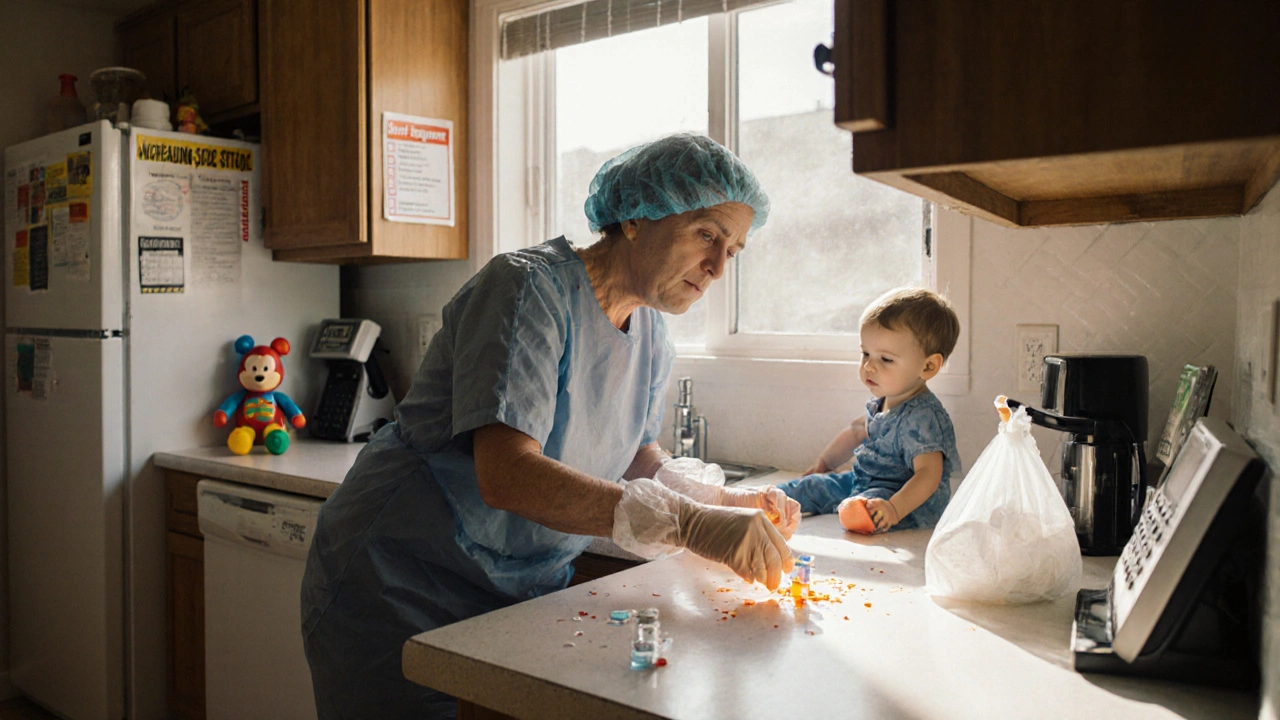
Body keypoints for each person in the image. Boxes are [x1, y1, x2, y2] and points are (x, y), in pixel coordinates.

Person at [300, 133, 802, 720]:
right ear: (637, 216)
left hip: (515, 594)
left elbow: (636, 455)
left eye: (733, 250)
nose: (717, 267)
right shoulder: (526, 289)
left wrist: (722, 500)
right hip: (401, 580)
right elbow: (508, 475)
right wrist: (691, 526)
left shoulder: (651, 333)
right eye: (707, 234)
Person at [776, 287, 961, 534]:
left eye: (885, 359)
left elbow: (929, 474)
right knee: (814, 486)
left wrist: (894, 508)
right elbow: (855, 433)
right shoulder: (884, 401)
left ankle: (860, 513)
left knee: (868, 505)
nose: (869, 366)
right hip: (863, 481)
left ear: (927, 366)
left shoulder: (923, 417)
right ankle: (771, 500)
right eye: (865, 353)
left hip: (900, 498)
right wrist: (823, 464)